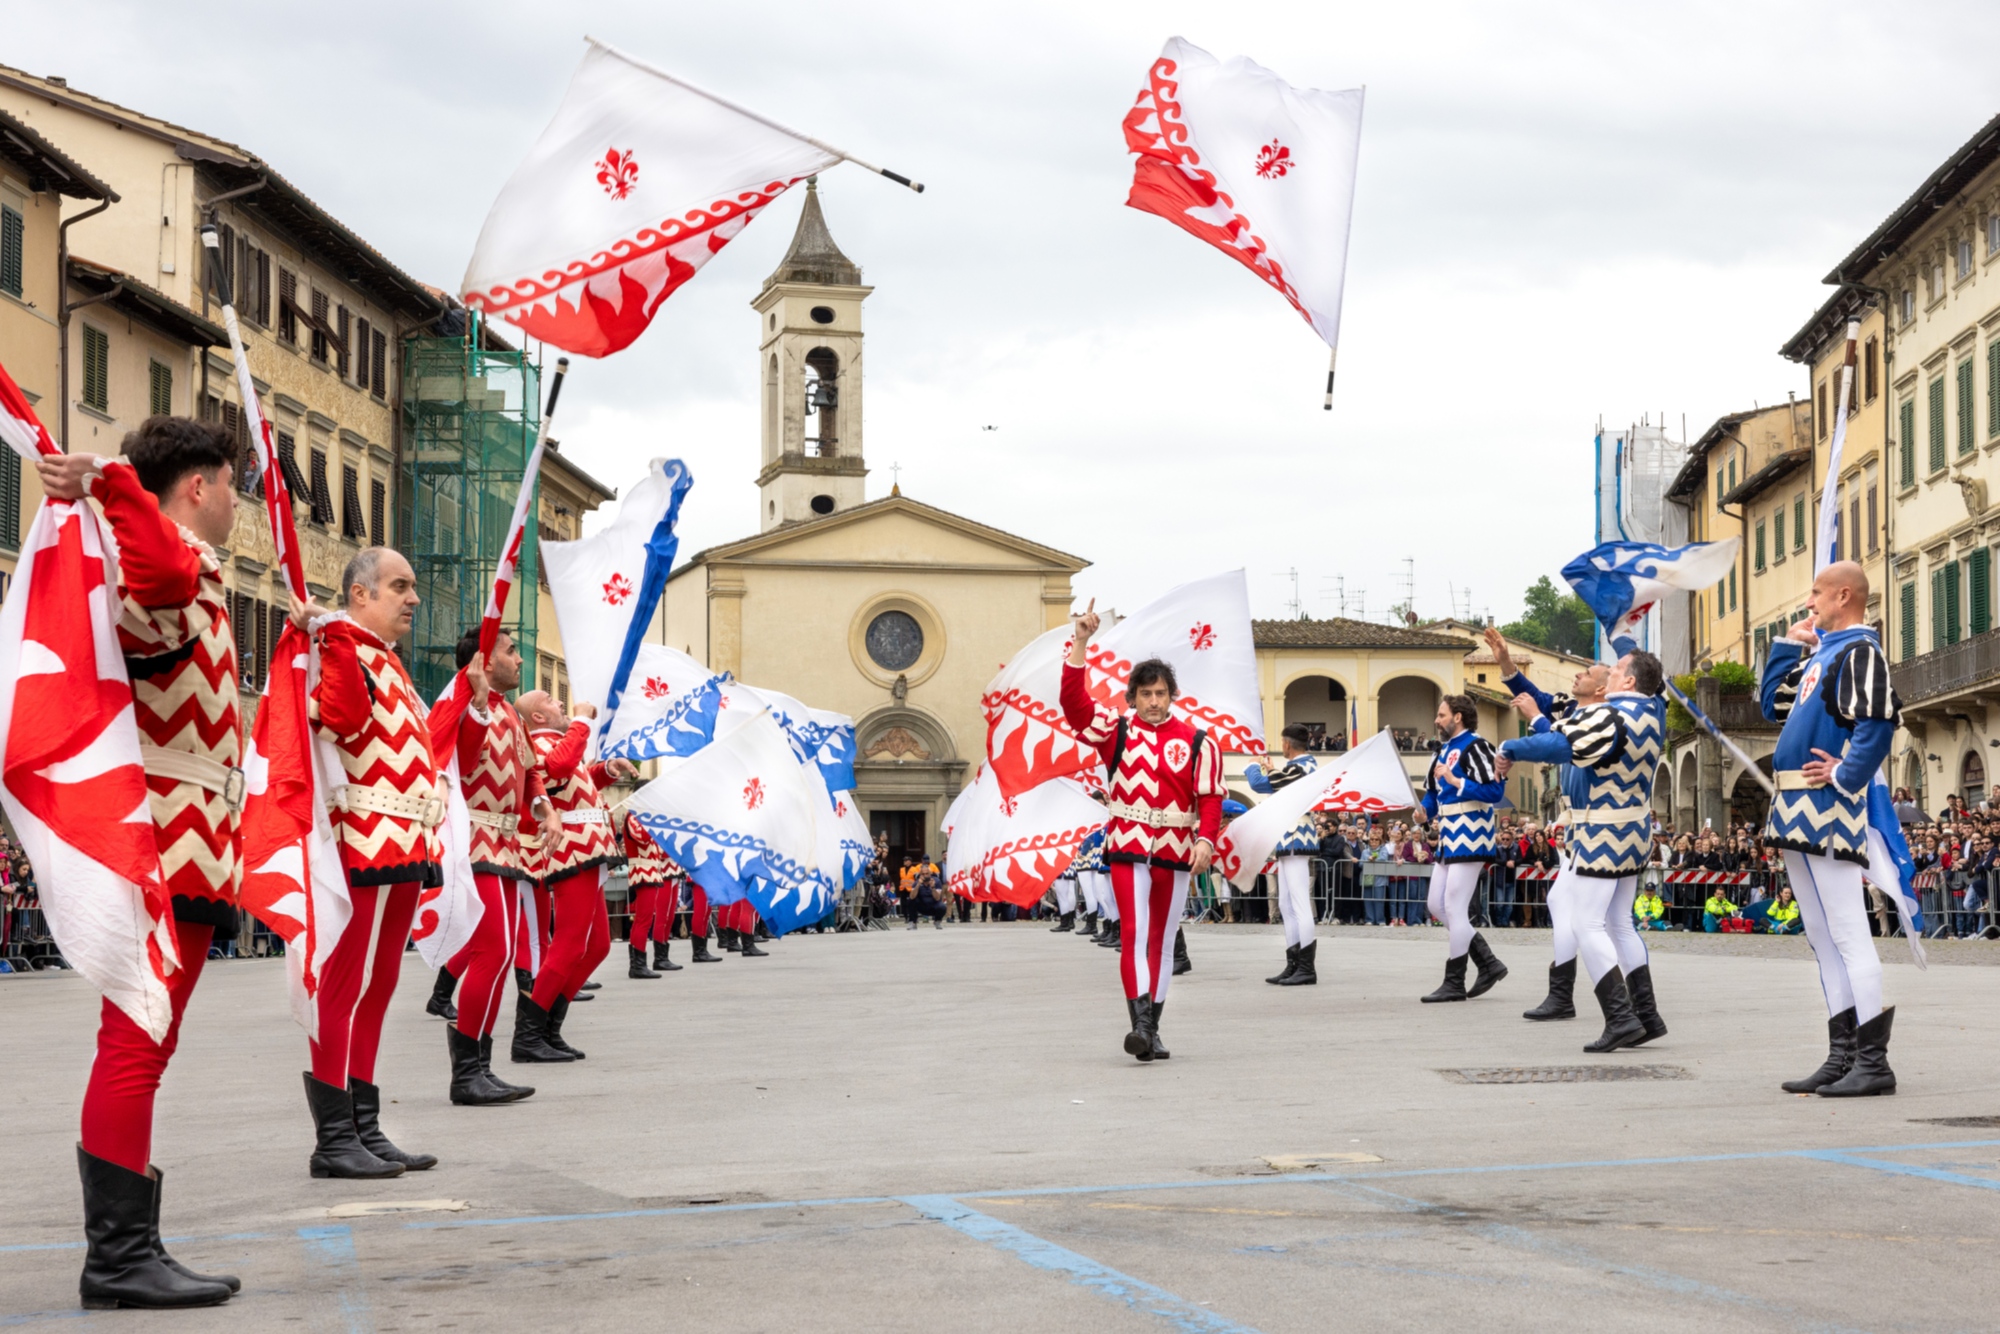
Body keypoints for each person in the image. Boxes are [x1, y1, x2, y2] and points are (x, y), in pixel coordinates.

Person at [38, 421, 247, 1307]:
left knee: (139, 1046)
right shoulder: (164, 564)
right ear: (197, 487)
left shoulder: (185, 564)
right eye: (231, 485)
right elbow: (158, 572)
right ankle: (119, 1259)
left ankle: (130, 1249)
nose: (240, 503)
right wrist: (116, 482)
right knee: (134, 1046)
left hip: (188, 839)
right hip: (170, 841)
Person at [304, 547, 444, 1179]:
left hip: (407, 836)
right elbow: (341, 721)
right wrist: (331, 636)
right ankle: (334, 1137)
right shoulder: (339, 648)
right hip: (362, 834)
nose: (413, 598)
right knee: (344, 983)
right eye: (399, 585)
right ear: (360, 594)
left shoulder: (388, 662)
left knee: (380, 982)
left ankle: (363, 1123)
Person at [1760, 562, 1905, 1096]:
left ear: (1844, 595)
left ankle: (1873, 1061)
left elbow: (1878, 722)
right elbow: (1772, 706)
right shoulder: (1827, 651)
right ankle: (1843, 1054)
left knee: (1846, 931)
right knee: (1823, 936)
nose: (1809, 601)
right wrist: (1784, 646)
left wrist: (1845, 773)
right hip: (1798, 800)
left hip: (1827, 801)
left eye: (1817, 593)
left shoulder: (1860, 651)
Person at [1061, 601, 1223, 1062]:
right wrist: (1080, 643)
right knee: (1133, 934)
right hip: (1128, 846)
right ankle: (1144, 1028)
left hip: (1176, 850)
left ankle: (1150, 1030)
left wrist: (1207, 841)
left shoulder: (1197, 741)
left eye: (1161, 693)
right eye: (1146, 693)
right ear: (1132, 697)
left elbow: (1210, 798)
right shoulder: (1115, 731)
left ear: (1172, 696)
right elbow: (1074, 705)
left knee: (1162, 939)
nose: (1154, 701)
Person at [1498, 650, 1668, 1051]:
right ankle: (1646, 1015)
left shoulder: (1609, 715)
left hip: (1603, 832)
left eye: (1616, 670)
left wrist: (1509, 745)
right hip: (1633, 829)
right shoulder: (1652, 709)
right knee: (1619, 924)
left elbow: (1560, 745)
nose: (1608, 675)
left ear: (1628, 682)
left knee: (1586, 924)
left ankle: (1622, 1018)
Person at [426, 627, 558, 1103]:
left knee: (501, 956)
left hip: (503, 844)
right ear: (483, 662)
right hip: (474, 838)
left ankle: (479, 1065)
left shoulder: (510, 712)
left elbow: (530, 768)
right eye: (510, 650)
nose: (520, 660)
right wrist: (478, 703)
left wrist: (545, 806)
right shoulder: (468, 706)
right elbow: (457, 759)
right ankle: (467, 1073)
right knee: (492, 953)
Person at [1486, 625, 1609, 1023]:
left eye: (1586, 673)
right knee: (1568, 905)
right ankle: (1568, 995)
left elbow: (1557, 737)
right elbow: (1534, 696)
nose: (1576, 674)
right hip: (1579, 825)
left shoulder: (1600, 718)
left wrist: (1537, 722)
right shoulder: (1573, 709)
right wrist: (1504, 660)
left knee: (1600, 920)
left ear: (1603, 688)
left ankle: (1602, 1003)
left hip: (1598, 824)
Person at [513, 690, 636, 1062]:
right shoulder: (538, 744)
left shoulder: (560, 742)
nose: (562, 704)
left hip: (589, 850)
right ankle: (528, 1035)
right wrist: (582, 720)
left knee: (596, 946)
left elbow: (575, 787)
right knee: (568, 945)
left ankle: (548, 1028)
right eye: (551, 700)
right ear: (537, 717)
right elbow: (558, 770)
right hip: (572, 851)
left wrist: (606, 771)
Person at [1412, 695, 1507, 1002]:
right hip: (1449, 832)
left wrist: (1457, 780)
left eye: (1441, 715)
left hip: (1473, 829)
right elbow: (1432, 794)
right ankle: (1488, 962)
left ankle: (1454, 981)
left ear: (1458, 717)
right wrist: (1424, 812)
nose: (1436, 720)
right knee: (1437, 906)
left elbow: (1494, 791)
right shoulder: (1440, 751)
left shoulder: (1478, 746)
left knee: (1454, 906)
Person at [1244, 722, 1320, 987]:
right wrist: (1271, 768)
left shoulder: (1301, 766)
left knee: (1298, 902)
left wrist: (1254, 764)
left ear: (1287, 744)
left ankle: (1306, 967)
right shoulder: (1302, 766)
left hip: (1296, 835)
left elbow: (1259, 784)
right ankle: (1295, 963)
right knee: (1288, 903)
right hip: (1290, 835)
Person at [620, 811, 681, 975]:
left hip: (650, 870)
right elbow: (642, 836)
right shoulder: (633, 817)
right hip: (642, 870)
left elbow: (658, 849)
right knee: (643, 920)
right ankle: (638, 965)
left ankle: (638, 964)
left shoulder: (644, 818)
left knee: (644, 918)